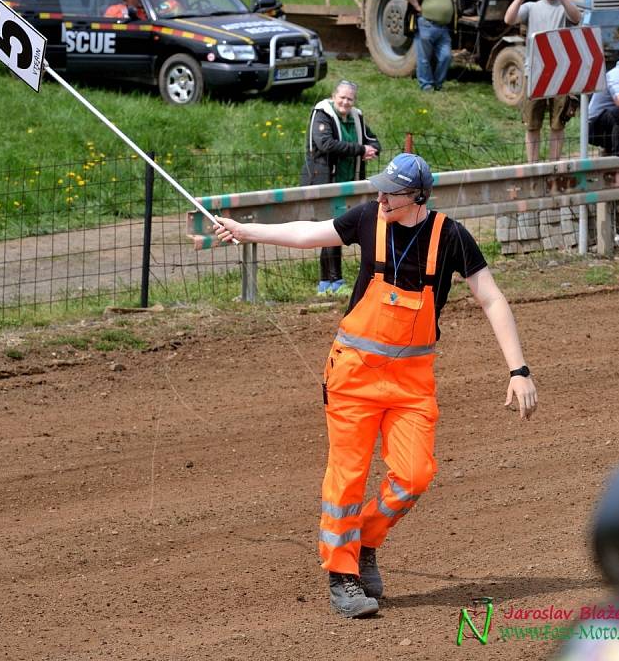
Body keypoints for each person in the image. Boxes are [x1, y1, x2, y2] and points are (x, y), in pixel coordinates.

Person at [214, 152, 538, 619]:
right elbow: (309, 232)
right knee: (346, 477)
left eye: (392, 192)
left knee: (415, 475)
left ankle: (365, 539)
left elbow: (491, 298)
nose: (381, 197)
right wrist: (248, 232)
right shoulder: (369, 217)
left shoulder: (450, 236)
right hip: (352, 377)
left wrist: (518, 370)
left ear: (419, 197)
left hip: (411, 384)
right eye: (380, 188)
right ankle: (342, 575)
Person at [300, 80, 381, 294]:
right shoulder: (322, 114)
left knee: (337, 229)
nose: (345, 102)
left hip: (348, 183)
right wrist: (360, 149)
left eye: (350, 99)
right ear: (333, 96)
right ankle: (331, 281)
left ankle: (330, 282)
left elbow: (372, 140)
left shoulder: (356, 116)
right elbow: (325, 144)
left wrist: (372, 149)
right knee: (332, 229)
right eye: (342, 97)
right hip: (325, 182)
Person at [504, 0, 582, 162]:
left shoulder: (564, 7)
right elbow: (509, 19)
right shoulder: (532, 6)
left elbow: (577, 18)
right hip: (536, 70)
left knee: (558, 123)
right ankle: (533, 166)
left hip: (560, 72)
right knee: (532, 122)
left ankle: (554, 165)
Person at [402, 0, 492, 91]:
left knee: (446, 57)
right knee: (424, 59)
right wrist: (416, 6)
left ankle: (438, 83)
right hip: (425, 25)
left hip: (443, 28)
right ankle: (426, 85)